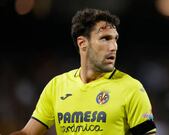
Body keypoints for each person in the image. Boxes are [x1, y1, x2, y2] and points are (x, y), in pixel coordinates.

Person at [10, 8, 156, 135]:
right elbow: (28, 133)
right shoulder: (57, 86)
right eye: (105, 38)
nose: (114, 47)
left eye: (115, 39)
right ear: (82, 43)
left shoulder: (132, 89)